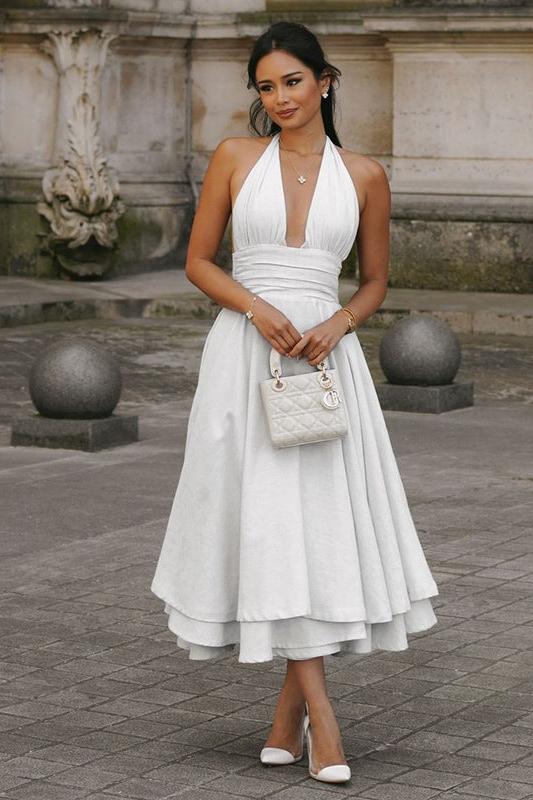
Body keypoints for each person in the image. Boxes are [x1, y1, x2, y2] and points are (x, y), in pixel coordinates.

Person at [151, 20, 439, 784]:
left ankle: (288, 719)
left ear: (324, 81)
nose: (278, 97)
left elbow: (374, 280)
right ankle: (326, 725)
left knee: (309, 525)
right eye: (265, 86)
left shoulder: (368, 175)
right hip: (245, 358)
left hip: (323, 360)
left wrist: (338, 322)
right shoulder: (235, 157)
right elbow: (197, 262)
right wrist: (256, 309)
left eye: (291, 81)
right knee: (269, 523)